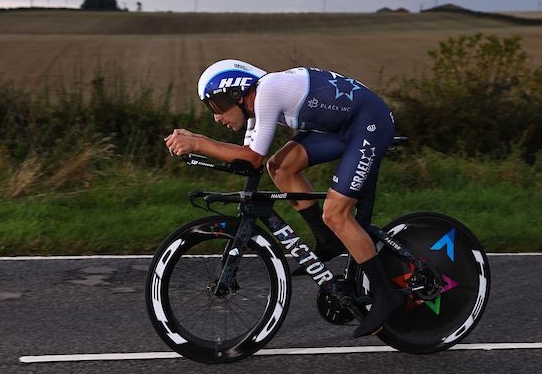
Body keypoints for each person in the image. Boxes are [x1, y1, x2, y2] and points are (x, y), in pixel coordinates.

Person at [164, 59, 403, 337]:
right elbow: (249, 162)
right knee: (278, 167)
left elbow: (251, 157)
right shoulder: (255, 106)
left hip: (369, 125)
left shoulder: (268, 92)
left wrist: (199, 143)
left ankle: (387, 295)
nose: (217, 117)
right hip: (344, 126)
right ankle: (327, 240)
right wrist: (199, 143)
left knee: (336, 213)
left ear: (236, 94)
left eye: (217, 107)